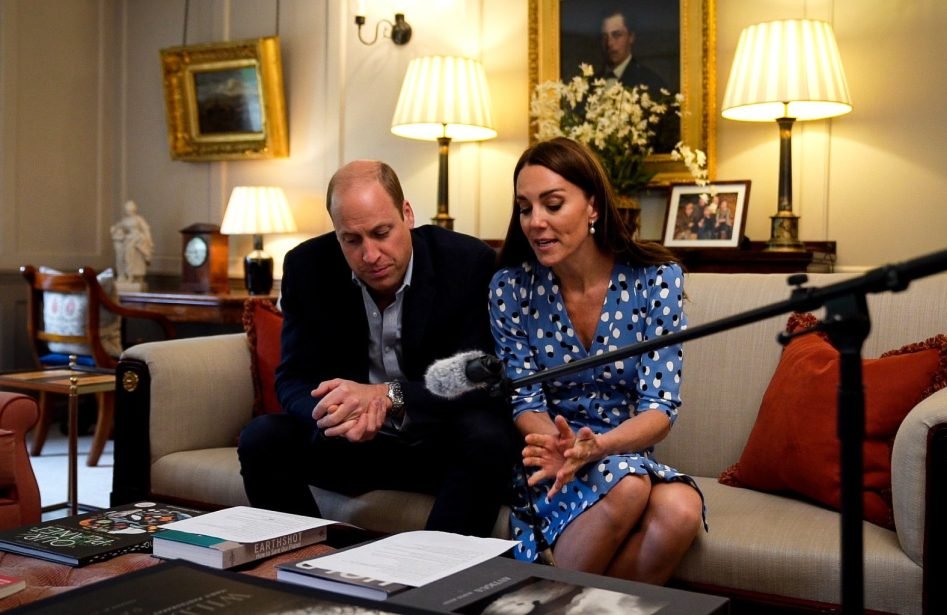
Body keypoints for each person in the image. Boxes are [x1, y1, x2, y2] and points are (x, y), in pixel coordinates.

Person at [238, 160, 515, 537]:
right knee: (261, 437)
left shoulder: (466, 263)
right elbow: (293, 376)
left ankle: (434, 575)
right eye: (352, 240)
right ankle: (308, 561)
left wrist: (386, 397)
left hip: (433, 439)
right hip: (349, 441)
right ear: (336, 233)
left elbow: (474, 383)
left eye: (381, 233)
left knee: (488, 436)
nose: (370, 255)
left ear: (407, 214)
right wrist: (335, 412)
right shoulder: (307, 267)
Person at [489, 137, 704, 584]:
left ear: (593, 206)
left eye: (552, 204)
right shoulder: (510, 288)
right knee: (627, 487)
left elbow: (660, 408)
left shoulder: (656, 279)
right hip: (551, 457)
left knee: (682, 510)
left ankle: (549, 603)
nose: (536, 222)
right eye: (525, 208)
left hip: (624, 450)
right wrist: (568, 452)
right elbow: (525, 403)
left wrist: (599, 448)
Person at [598, 10, 677, 152]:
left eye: (617, 35)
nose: (609, 43)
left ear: (631, 37)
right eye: (605, 36)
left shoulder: (651, 83)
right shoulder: (590, 84)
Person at [110, 199, 153, 286]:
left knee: (129, 253)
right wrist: (113, 230)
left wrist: (149, 241)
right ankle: (123, 275)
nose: (129, 211)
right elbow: (117, 227)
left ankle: (131, 275)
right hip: (128, 239)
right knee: (122, 255)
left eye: (130, 209)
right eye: (127, 210)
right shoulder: (124, 220)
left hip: (137, 238)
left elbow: (146, 229)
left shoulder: (138, 219)